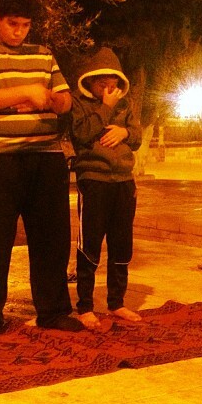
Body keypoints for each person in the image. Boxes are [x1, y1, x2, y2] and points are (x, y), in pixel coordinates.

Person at [0, 0, 83, 343]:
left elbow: (64, 99)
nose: (19, 32)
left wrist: (51, 99)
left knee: (51, 237)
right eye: (13, 24)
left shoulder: (43, 54)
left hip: (46, 156)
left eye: (25, 25)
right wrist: (26, 92)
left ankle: (54, 309)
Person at [69, 47, 142, 330]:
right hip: (94, 180)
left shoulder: (128, 104)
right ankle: (85, 305)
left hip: (124, 181)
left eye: (113, 85)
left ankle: (117, 302)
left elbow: (136, 136)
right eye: (102, 84)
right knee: (89, 244)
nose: (109, 89)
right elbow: (83, 133)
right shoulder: (80, 103)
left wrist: (125, 131)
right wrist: (106, 108)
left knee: (122, 244)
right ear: (90, 81)